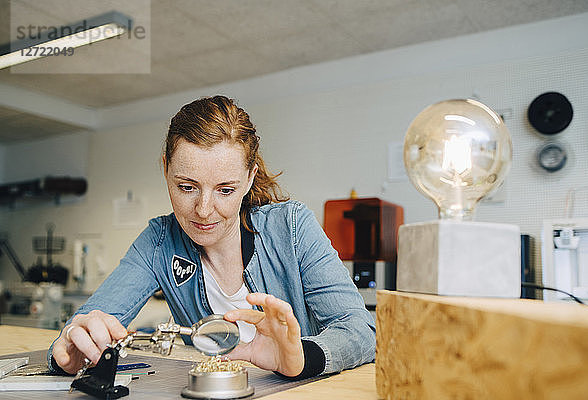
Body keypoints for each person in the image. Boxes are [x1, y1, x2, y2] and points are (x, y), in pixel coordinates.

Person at [49, 95, 375, 379]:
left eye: (225, 190)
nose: (204, 210)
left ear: (249, 178)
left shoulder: (291, 227)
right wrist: (68, 349)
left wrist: (300, 359)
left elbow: (360, 331)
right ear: (165, 169)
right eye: (186, 187)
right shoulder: (158, 241)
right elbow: (85, 323)